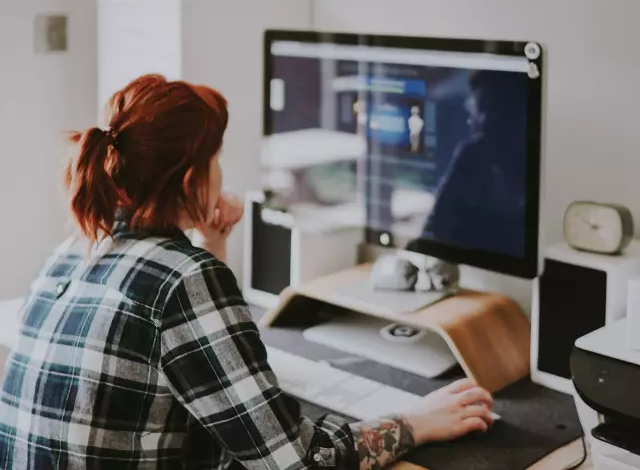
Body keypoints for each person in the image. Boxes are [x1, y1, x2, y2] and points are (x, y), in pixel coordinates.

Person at [0, 74, 493, 469]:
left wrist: (211, 245)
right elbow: (297, 462)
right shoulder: (183, 279)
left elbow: (190, 358)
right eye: (217, 161)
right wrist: (415, 422)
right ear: (194, 179)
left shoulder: (75, 248)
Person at [412, 70, 528, 257]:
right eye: (478, 110)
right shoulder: (472, 157)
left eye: (490, 109)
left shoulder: (533, 169)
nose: (479, 121)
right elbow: (435, 225)